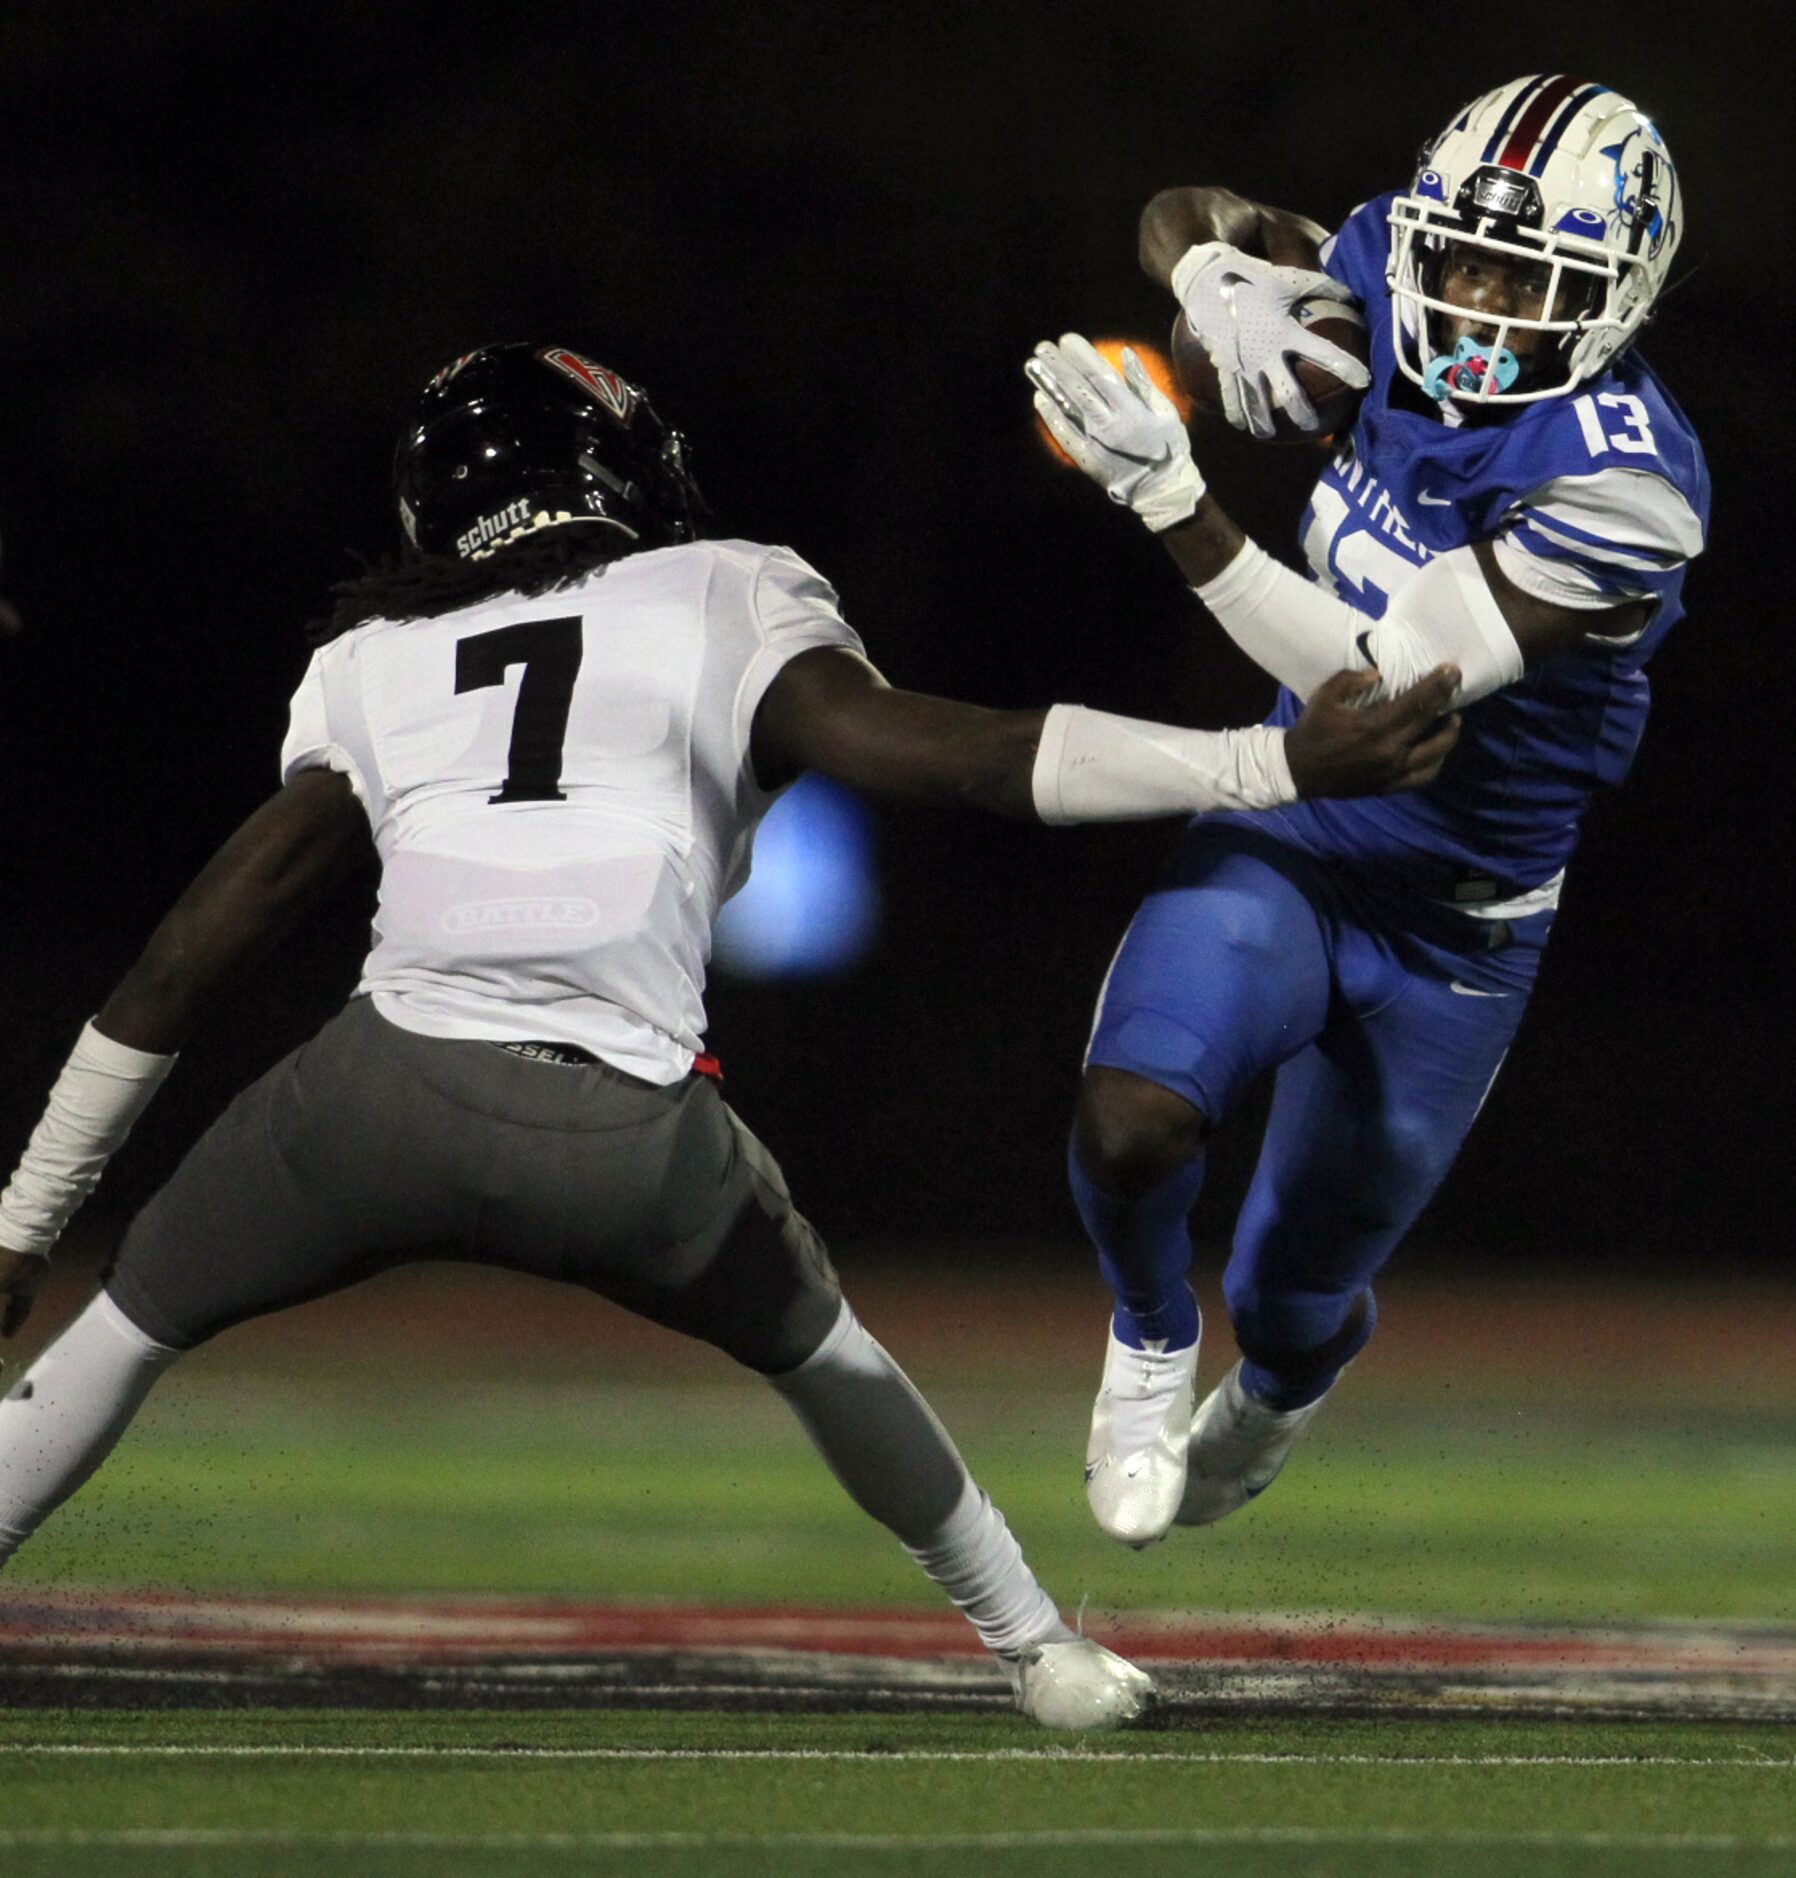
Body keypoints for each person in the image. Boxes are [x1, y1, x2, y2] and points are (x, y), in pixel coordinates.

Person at [0, 343, 1460, 1728]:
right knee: (831, 1360)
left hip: (373, 1095)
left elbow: (187, 955)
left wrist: (21, 1222)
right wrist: (1264, 759)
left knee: (121, 1329)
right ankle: (1040, 1648)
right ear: (619, 466)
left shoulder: (373, 654)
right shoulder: (722, 588)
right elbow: (955, 755)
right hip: (628, 1131)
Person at [1026, 76, 1707, 1549]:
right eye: (1460, 260)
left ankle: (1277, 1388)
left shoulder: (1627, 486)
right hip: (1294, 840)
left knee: (1289, 1294)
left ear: (1616, 300)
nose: (1470, 300)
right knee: (1133, 1119)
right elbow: (1180, 209)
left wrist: (1175, 505)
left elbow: (1373, 696)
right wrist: (1215, 268)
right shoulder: (1389, 260)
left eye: (1527, 283)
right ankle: (1147, 1333)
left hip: (1458, 925)